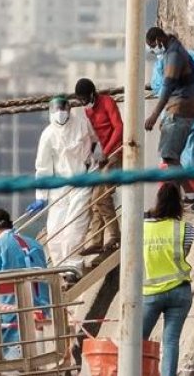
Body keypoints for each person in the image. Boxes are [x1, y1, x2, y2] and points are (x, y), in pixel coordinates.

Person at [28, 96, 99, 273]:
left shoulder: (82, 124)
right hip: (59, 187)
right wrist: (41, 196)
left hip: (82, 179)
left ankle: (74, 267)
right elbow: (43, 168)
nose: (60, 113)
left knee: (74, 227)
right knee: (54, 232)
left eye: (63, 108)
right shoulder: (48, 135)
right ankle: (62, 271)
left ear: (69, 109)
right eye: (56, 109)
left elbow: (96, 141)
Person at [144, 28, 194, 211]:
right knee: (172, 157)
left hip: (180, 108)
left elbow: (167, 87)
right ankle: (181, 200)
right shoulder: (174, 50)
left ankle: (193, 197)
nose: (154, 50)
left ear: (158, 39)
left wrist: (154, 115)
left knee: (169, 156)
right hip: (182, 108)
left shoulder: (173, 54)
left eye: (152, 46)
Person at [0, 208, 50, 360]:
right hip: (42, 314)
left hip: (11, 318)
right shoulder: (35, 244)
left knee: (12, 363)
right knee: (40, 360)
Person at [142, 183, 194, 376]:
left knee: (138, 341)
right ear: (179, 204)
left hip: (152, 292)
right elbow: (185, 251)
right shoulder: (186, 229)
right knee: (171, 341)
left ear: (158, 201)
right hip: (180, 291)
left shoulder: (144, 228)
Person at [75, 78, 123, 256]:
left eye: (84, 99)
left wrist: (107, 151)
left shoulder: (107, 102)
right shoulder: (88, 111)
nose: (83, 103)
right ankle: (96, 240)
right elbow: (95, 137)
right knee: (94, 200)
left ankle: (115, 236)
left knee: (100, 196)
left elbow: (119, 128)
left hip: (117, 152)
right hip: (103, 156)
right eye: (80, 100)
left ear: (92, 93)